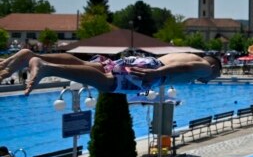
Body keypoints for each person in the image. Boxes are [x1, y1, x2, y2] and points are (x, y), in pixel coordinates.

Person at [1, 50, 222, 95]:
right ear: (213, 68)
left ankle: (32, 56)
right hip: (153, 70)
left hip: (146, 61)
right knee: (108, 84)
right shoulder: (203, 65)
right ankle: (46, 66)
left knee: (91, 66)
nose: (209, 80)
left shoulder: (189, 53)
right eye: (215, 76)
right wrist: (156, 74)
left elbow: (181, 63)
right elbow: (184, 69)